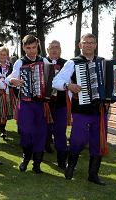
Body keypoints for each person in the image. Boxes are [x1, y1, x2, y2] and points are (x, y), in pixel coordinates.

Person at [52, 33, 116, 185]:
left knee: (98, 141)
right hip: (81, 109)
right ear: (80, 45)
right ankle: (71, 166)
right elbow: (56, 81)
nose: (89, 45)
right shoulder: (73, 63)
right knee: (78, 139)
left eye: (92, 42)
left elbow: (115, 85)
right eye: (86, 42)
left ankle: (93, 174)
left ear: (95, 45)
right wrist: (68, 85)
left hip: (100, 109)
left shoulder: (104, 62)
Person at [6, 35, 51, 174]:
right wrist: (13, 80)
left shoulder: (44, 61)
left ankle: (37, 164)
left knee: (41, 133)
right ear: (24, 48)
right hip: (25, 102)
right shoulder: (20, 62)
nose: (31, 51)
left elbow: (51, 80)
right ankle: (26, 157)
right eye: (28, 48)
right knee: (25, 132)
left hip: (41, 103)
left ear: (38, 46)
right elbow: (9, 78)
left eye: (33, 47)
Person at [45, 40, 69, 169]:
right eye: (52, 48)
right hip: (44, 104)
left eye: (57, 47)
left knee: (60, 131)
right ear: (47, 50)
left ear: (60, 50)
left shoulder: (67, 64)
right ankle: (38, 155)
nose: (54, 50)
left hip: (61, 104)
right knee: (43, 130)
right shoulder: (41, 62)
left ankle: (61, 160)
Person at [0, 46, 17, 140]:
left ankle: (3, 129)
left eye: (4, 54)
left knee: (6, 110)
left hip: (9, 90)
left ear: (7, 55)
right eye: (0, 54)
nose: (2, 56)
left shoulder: (11, 66)